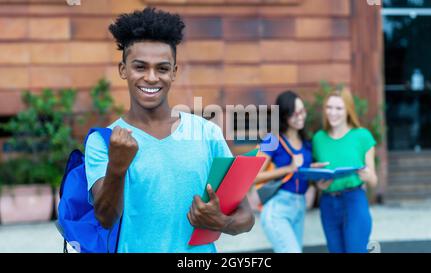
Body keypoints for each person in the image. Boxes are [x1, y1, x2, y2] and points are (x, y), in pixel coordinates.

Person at [84, 7, 254, 253]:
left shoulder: (207, 134)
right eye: (140, 67)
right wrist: (117, 168)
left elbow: (246, 217)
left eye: (162, 68)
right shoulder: (104, 142)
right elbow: (105, 218)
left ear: (174, 72)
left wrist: (222, 222)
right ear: (123, 70)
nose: (151, 77)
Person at [312, 87, 378, 253]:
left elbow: (374, 180)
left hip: (354, 200)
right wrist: (319, 185)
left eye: (339, 108)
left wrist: (367, 175)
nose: (333, 113)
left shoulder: (362, 136)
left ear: (348, 110)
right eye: (329, 107)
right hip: (328, 203)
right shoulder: (318, 139)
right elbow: (317, 176)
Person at [254, 91, 314, 253]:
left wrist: (316, 171)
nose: (300, 117)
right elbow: (253, 176)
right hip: (278, 209)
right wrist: (288, 168)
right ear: (284, 116)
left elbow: (303, 174)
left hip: (299, 207)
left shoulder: (307, 143)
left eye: (302, 111)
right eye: (294, 114)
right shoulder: (271, 140)